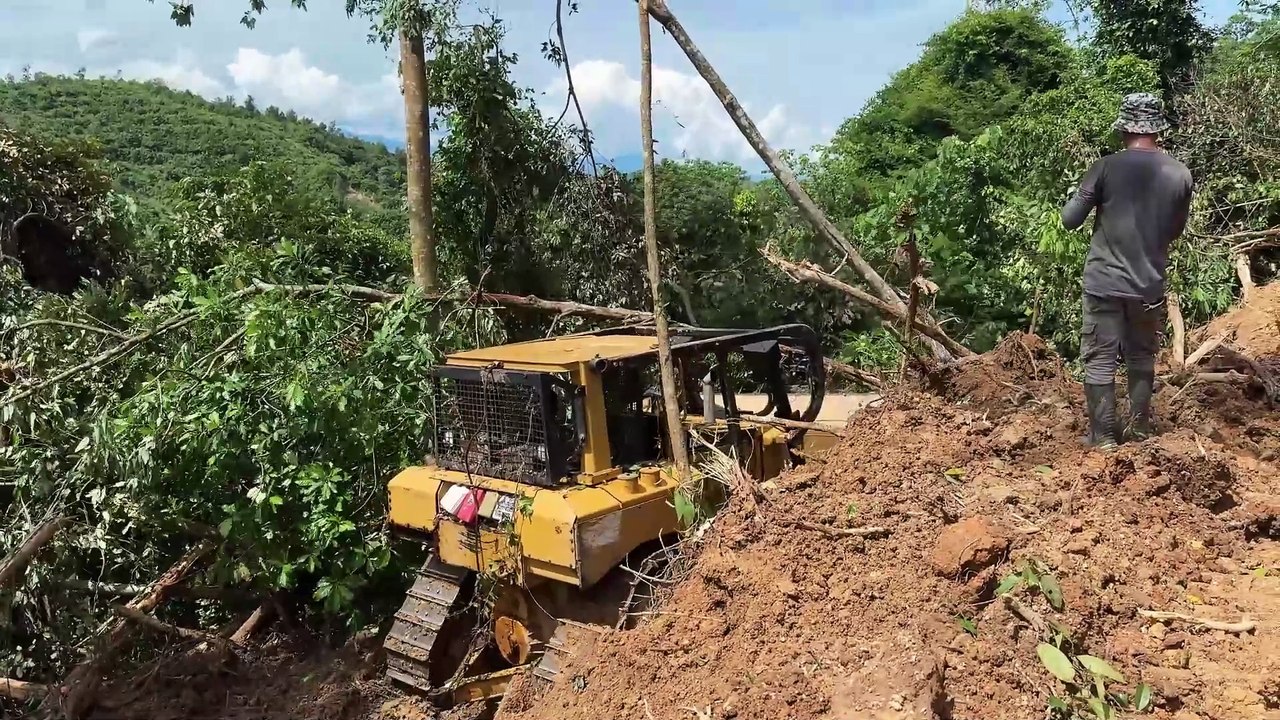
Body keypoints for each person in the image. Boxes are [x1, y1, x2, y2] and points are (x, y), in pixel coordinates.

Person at [1061, 93, 1194, 450]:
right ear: (1157, 129)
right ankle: (1139, 433)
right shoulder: (1180, 174)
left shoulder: (1104, 168)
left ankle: (1103, 437)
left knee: (1099, 359)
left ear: (1123, 129)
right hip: (1148, 284)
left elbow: (1069, 219)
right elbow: (1175, 230)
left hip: (1104, 283)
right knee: (1141, 357)